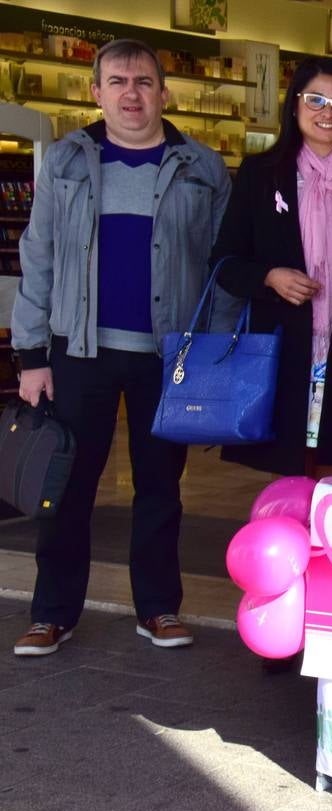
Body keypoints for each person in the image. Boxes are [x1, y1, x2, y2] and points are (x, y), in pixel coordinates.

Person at [10, 39, 231, 656]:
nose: (131, 94)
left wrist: (213, 360)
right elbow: (40, 257)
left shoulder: (203, 167)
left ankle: (158, 608)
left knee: (161, 487)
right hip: (80, 352)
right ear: (96, 92)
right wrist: (30, 356)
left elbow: (224, 270)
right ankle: (52, 613)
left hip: (171, 355)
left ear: (165, 93)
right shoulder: (65, 162)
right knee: (69, 485)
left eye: (142, 82)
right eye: (117, 82)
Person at [210, 57, 332, 477]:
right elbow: (225, 263)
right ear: (294, 105)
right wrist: (269, 277)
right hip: (284, 353)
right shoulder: (260, 174)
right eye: (316, 99)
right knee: (291, 480)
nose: (327, 111)